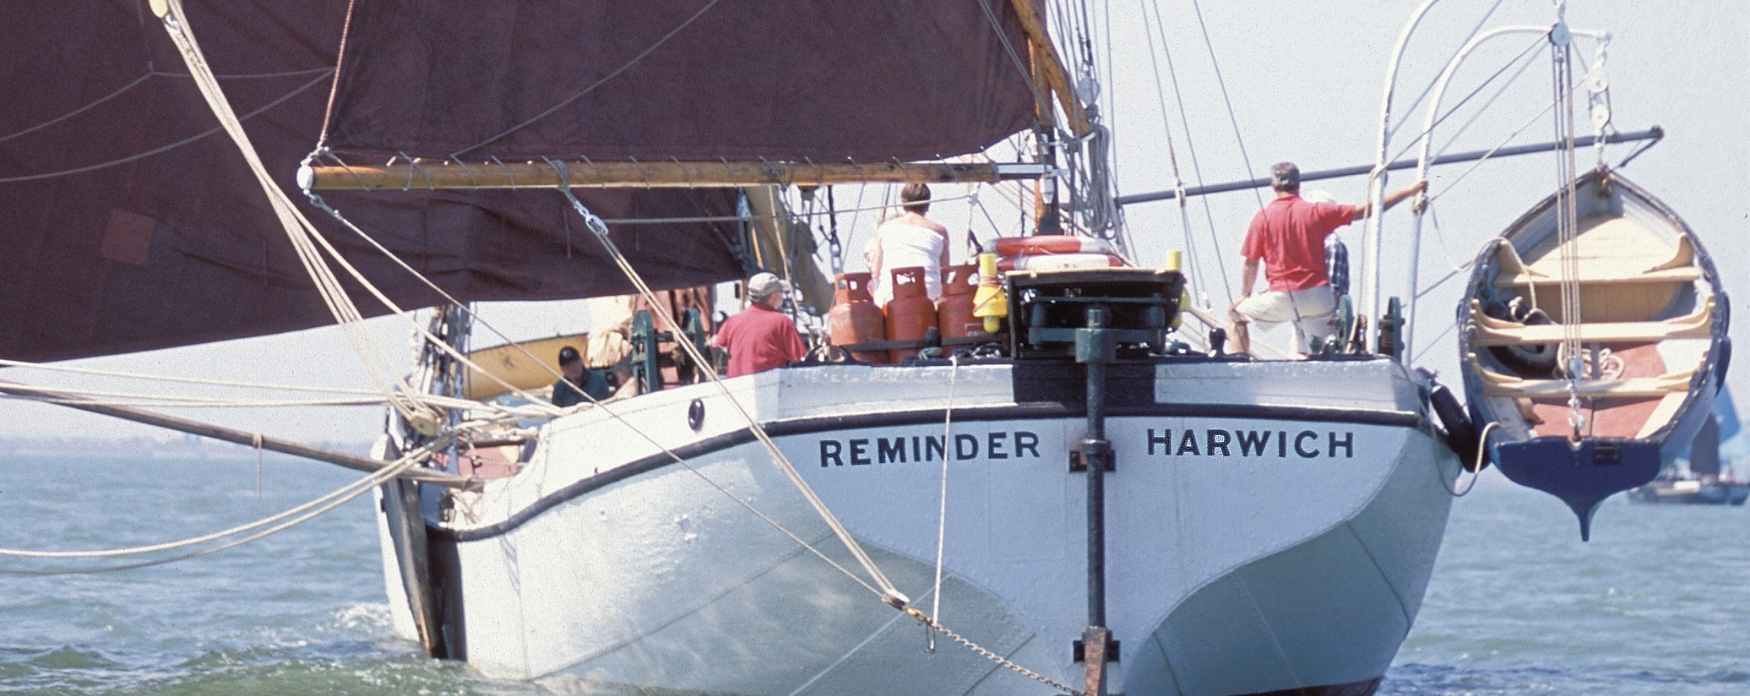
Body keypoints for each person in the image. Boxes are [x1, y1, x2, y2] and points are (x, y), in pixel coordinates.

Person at [1230, 162, 1427, 355]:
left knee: (1236, 314)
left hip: (1283, 296)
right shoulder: (1316, 211)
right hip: (1319, 298)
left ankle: (1239, 363)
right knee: (1323, 352)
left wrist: (1245, 294)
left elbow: (1251, 262)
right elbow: (1368, 209)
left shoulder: (1262, 217)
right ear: (1298, 185)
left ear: (1273, 186)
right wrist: (1409, 191)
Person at [867, 183, 950, 307]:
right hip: (930, 295)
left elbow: (875, 272)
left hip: (892, 293)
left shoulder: (884, 229)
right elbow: (944, 274)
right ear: (927, 204)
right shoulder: (940, 231)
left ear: (903, 204)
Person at [711, 272, 808, 377]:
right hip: (769, 387)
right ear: (773, 297)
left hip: (735, 388)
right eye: (781, 291)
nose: (783, 295)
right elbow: (800, 360)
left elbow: (716, 349)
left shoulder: (732, 321)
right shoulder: (782, 322)